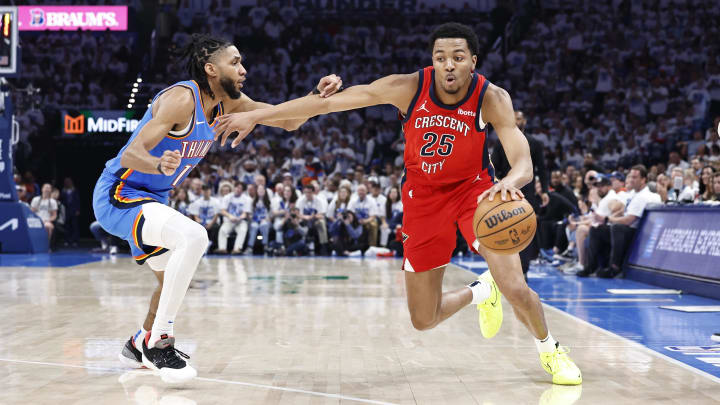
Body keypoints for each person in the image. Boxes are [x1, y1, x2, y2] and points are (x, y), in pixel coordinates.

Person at [215, 23, 581, 385]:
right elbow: (326, 105)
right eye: (440, 58)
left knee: (516, 287)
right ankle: (480, 292)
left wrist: (509, 183)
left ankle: (550, 350)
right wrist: (256, 115)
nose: (448, 65)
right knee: (424, 318)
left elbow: (523, 163)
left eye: (457, 57)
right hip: (423, 201)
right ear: (432, 61)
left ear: (473, 61)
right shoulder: (407, 87)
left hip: (474, 193)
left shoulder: (491, 97)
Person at [91, 33, 341, 382]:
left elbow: (287, 120)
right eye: (235, 62)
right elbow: (130, 154)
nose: (244, 70)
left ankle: (138, 342)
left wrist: (317, 96)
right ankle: (160, 343)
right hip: (120, 193)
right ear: (211, 68)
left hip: (154, 200)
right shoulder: (181, 99)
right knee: (194, 237)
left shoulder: (230, 103)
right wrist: (158, 163)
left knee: (169, 285)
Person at [491, 110, 548, 276]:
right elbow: (494, 167)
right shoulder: (501, 142)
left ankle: (523, 269)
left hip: (527, 192)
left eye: (521, 118)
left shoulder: (534, 143)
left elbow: (542, 170)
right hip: (505, 191)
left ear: (525, 121)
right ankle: (507, 269)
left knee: (525, 229)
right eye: (516, 118)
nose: (518, 120)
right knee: (504, 229)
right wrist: (496, 185)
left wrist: (544, 190)